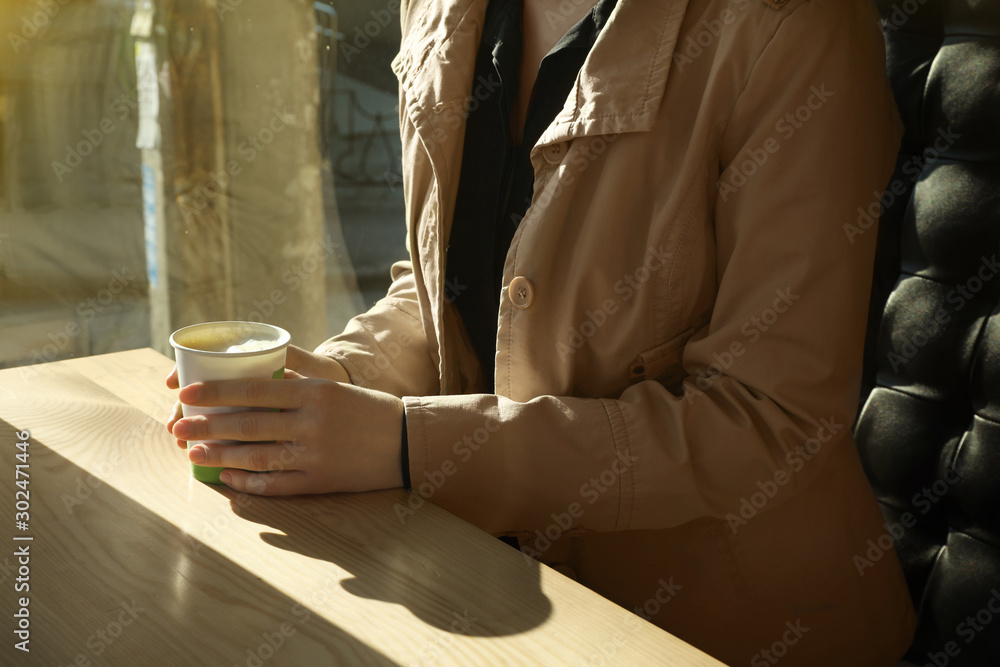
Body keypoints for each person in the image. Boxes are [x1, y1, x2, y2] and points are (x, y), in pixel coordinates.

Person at [167, 0, 918, 663]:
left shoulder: (793, 26)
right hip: (491, 599)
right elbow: (446, 289)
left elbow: (768, 425)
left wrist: (406, 443)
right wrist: (336, 386)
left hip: (725, 633)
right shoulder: (437, 8)